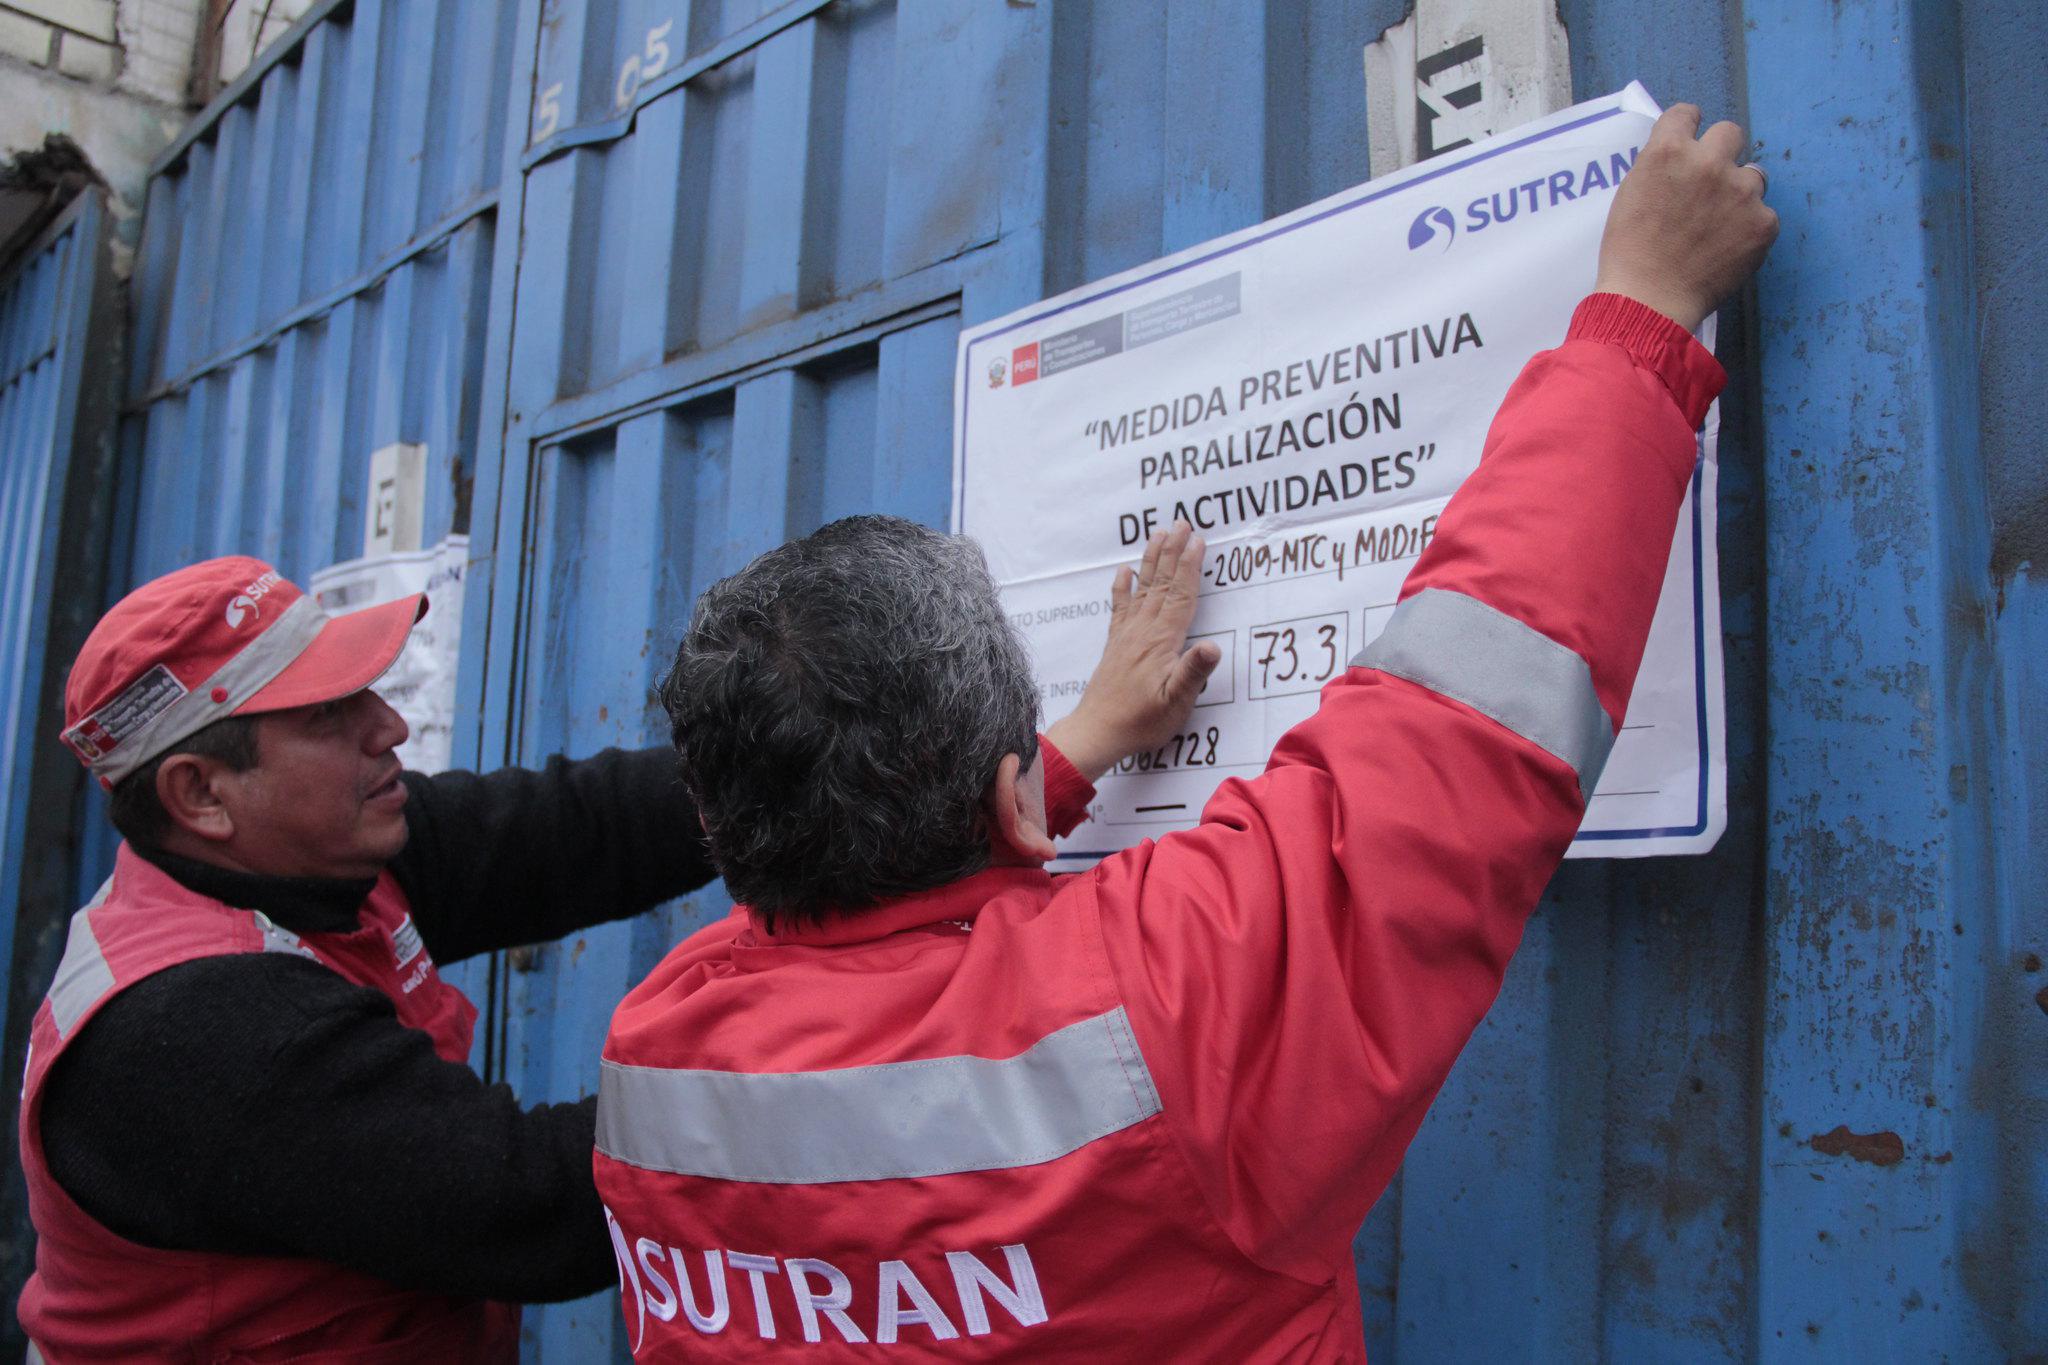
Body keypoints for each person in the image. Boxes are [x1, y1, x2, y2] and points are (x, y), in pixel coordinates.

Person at [593, 104, 1778, 1358]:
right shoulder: (1155, 1019)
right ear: (1004, 804)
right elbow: (1459, 728)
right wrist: (1639, 319)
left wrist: (1078, 748)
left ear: (718, 821)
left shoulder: (659, 1053)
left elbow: (854, 942)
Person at [13, 555, 1185, 1362]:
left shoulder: (328, 854)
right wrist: (874, 1046)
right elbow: (539, 1204)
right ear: (200, 793)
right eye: (328, 716)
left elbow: (612, 822)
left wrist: (1015, 752)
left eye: (367, 689)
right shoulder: (191, 1038)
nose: (388, 726)